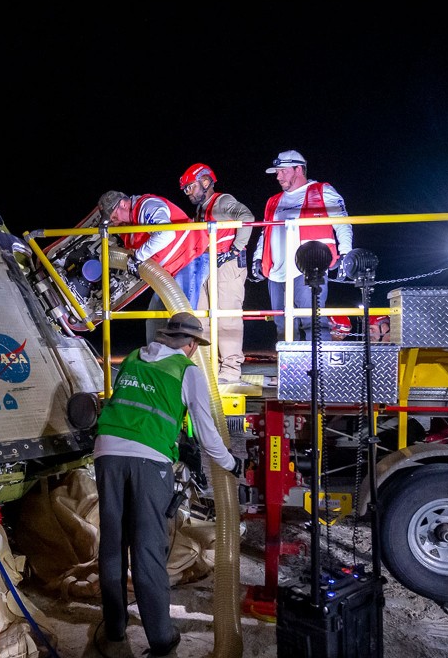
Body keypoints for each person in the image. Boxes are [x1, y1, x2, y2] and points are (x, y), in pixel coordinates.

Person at [91, 312, 244, 658]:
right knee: (147, 548)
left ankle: (114, 629)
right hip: (148, 460)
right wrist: (230, 463)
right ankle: (161, 639)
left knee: (113, 544)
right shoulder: (187, 371)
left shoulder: (134, 357)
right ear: (191, 345)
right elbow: (206, 431)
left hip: (107, 452)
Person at [250, 150, 353, 341]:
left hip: (309, 268)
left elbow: (342, 222)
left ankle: (319, 361)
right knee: (283, 325)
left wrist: (346, 253)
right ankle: (290, 361)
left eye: (283, 171)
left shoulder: (322, 191)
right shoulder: (273, 200)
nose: (278, 176)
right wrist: (258, 257)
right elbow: (266, 231)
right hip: (277, 272)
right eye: (277, 172)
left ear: (299, 169)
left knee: (312, 322)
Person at [178, 163, 255, 385]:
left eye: (190, 187)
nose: (188, 193)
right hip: (207, 265)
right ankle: (208, 365)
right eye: (185, 189)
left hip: (225, 266)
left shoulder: (222, 201)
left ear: (205, 182)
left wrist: (235, 250)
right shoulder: (202, 209)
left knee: (226, 316)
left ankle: (230, 368)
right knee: (202, 316)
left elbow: (247, 217)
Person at [99, 191, 209, 343]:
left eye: (114, 217)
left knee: (182, 321)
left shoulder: (146, 206)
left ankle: (184, 357)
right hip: (170, 271)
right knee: (154, 318)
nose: (114, 222)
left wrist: (137, 257)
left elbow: (166, 234)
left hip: (189, 258)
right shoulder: (129, 228)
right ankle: (156, 355)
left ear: (123, 204)